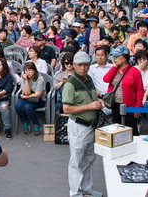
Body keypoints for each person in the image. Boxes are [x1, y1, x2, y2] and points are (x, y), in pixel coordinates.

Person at [62, 51, 106, 197]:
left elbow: (92, 97)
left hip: (90, 126)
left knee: (89, 159)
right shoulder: (70, 84)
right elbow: (66, 108)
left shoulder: (89, 80)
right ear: (74, 65)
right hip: (78, 126)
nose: (83, 68)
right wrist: (89, 107)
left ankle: (86, 188)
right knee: (76, 162)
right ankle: (75, 193)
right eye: (80, 65)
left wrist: (98, 103)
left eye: (86, 65)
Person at [103, 46, 144, 135]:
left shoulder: (134, 71)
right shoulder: (114, 69)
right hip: (115, 104)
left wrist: (138, 107)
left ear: (125, 58)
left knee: (131, 129)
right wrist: (114, 67)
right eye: (114, 57)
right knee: (116, 129)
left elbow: (140, 90)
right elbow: (106, 79)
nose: (115, 59)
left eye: (117, 57)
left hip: (129, 105)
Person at [15, 62, 47, 135]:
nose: (28, 73)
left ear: (34, 70)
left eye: (30, 70)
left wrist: (26, 97)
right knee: (18, 106)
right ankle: (25, 121)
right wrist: (26, 81)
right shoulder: (24, 78)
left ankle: (36, 123)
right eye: (26, 70)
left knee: (27, 107)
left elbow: (37, 95)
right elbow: (26, 92)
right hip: (28, 97)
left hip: (39, 99)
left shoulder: (40, 78)